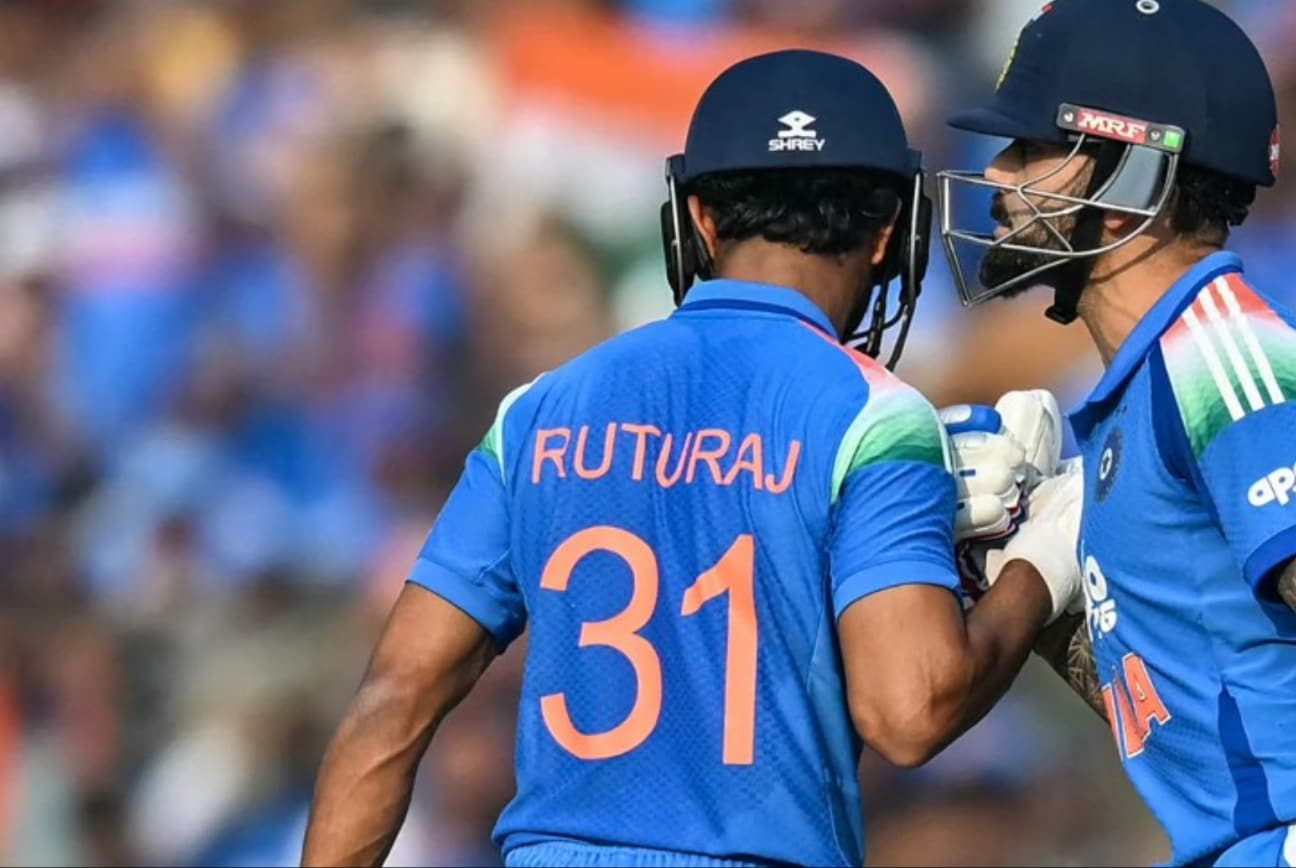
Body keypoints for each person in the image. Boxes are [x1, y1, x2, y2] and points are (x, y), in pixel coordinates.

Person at [299, 49, 1078, 868]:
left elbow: (394, 703)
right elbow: (910, 714)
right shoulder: (878, 417)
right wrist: (1039, 569)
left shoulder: (540, 411)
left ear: (700, 218)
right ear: (888, 230)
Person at [937, 0, 1296, 868]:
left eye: (1033, 147)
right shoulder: (1137, 395)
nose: (998, 179)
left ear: (1134, 172)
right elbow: (1184, 714)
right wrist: (1023, 581)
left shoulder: (1229, 357)